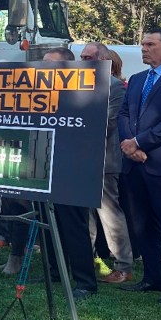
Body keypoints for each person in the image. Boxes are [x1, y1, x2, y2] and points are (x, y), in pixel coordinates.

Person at [118, 28, 161, 305]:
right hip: (134, 165)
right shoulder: (136, 79)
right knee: (142, 224)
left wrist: (139, 142)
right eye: (143, 44)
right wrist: (127, 143)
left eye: (150, 44)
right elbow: (123, 113)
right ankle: (154, 277)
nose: (144, 48)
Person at [41, 47, 99, 302]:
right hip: (43, 166)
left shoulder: (84, 92)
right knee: (46, 221)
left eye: (48, 64)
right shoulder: (39, 91)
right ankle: (54, 271)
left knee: (74, 225)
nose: (42, 69)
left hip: (73, 169)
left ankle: (85, 281)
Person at [79, 41, 133, 283]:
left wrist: (74, 123)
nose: (83, 61)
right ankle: (87, 260)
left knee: (110, 215)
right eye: (81, 57)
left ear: (103, 60)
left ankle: (124, 266)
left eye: (88, 57)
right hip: (78, 158)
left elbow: (109, 123)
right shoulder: (76, 83)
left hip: (104, 160)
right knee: (84, 215)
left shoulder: (115, 86)